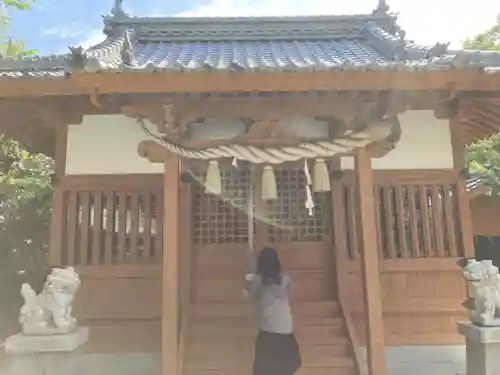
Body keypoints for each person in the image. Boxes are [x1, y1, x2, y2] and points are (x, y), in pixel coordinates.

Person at [245, 246, 302, 375]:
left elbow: (250, 295)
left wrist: (250, 274)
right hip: (285, 327)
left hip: (267, 329)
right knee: (286, 364)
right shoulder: (285, 277)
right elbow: (291, 291)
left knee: (265, 367)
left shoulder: (259, 279)